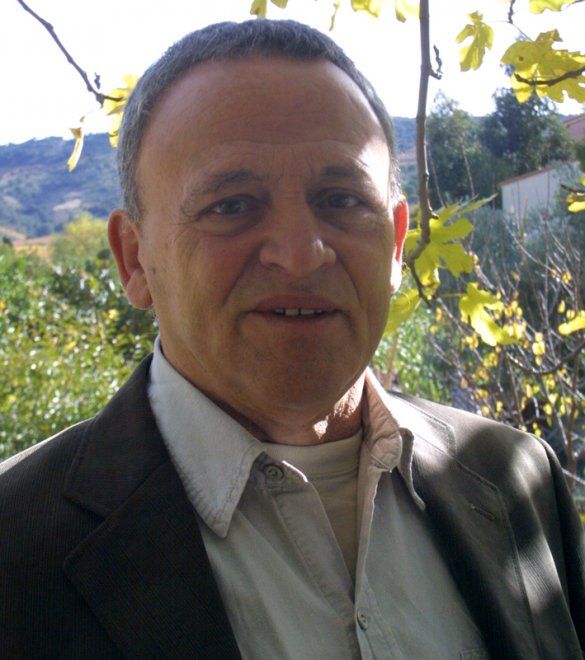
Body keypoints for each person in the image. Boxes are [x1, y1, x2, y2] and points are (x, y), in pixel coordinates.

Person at [0, 19, 583, 660]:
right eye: (232, 205)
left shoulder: (518, 478)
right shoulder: (16, 542)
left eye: (341, 199)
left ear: (395, 243)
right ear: (134, 260)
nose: (301, 254)